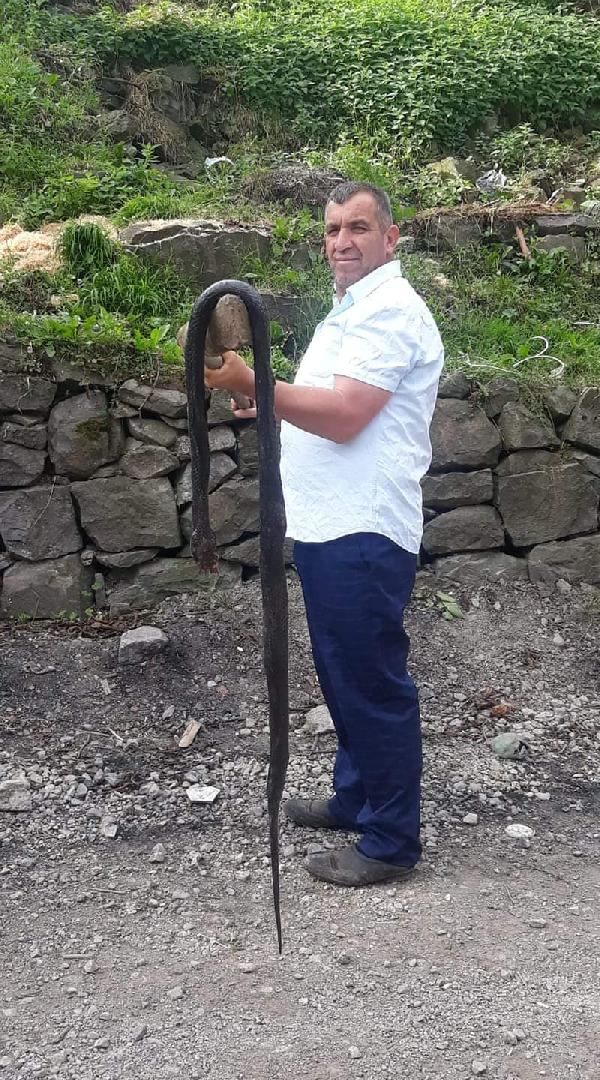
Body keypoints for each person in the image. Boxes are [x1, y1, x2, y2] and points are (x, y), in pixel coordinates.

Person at [203, 181, 444, 887]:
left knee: (369, 682)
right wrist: (266, 401)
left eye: (358, 228)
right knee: (342, 673)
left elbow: (344, 416)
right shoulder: (355, 308)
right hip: (333, 524)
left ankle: (391, 841)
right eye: (334, 229)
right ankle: (356, 798)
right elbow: (324, 402)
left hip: (361, 527)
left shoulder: (391, 310)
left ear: (390, 238)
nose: (342, 241)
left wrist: (257, 382)